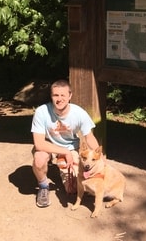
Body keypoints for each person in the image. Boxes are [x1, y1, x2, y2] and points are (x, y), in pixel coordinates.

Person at [31, 79, 99, 208]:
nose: (59, 99)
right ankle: (43, 186)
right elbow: (39, 143)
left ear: (70, 96)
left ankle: (66, 167)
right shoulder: (41, 112)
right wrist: (64, 152)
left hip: (71, 146)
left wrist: (100, 159)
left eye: (63, 95)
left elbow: (89, 138)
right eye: (56, 95)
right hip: (49, 145)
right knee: (39, 159)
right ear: (51, 96)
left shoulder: (79, 113)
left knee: (73, 189)